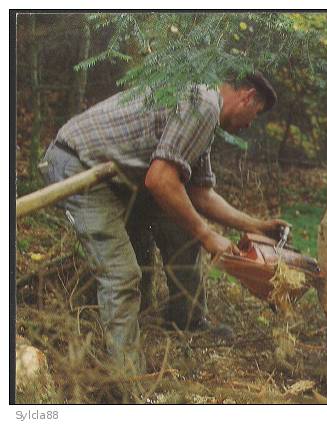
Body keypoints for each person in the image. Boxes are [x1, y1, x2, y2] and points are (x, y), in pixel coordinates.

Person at [40, 72, 289, 374]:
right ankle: (126, 375)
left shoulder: (203, 109)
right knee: (122, 272)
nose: (251, 124)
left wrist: (255, 225)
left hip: (114, 173)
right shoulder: (203, 104)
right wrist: (206, 234)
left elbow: (200, 193)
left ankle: (186, 323)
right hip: (76, 166)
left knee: (180, 229)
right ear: (247, 96)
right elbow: (159, 180)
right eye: (256, 113)